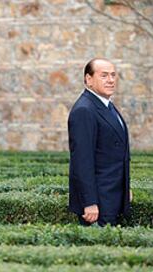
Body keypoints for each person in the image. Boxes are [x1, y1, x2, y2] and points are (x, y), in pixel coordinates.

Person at [68, 58, 131, 226]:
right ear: (88, 79)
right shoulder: (84, 110)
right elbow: (82, 161)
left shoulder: (106, 105)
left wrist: (125, 188)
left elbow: (115, 155)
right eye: (104, 75)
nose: (110, 80)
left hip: (112, 197)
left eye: (113, 75)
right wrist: (89, 202)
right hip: (98, 205)